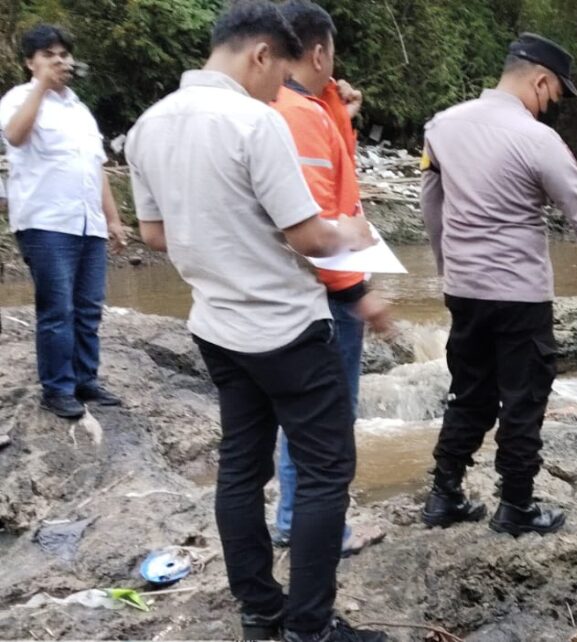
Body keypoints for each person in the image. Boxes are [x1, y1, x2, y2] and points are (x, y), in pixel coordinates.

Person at [125, 3, 386, 641]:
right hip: (286, 328)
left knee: (241, 468)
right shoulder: (254, 121)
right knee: (326, 473)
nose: (282, 90)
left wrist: (220, 235)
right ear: (261, 54)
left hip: (215, 326)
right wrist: (352, 229)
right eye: (279, 74)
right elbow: (310, 237)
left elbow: (154, 235)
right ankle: (310, 628)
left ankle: (260, 612)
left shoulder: (148, 125)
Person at [420, 33, 577, 537]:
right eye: (553, 96)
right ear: (539, 80)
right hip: (518, 295)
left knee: (469, 391)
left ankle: (444, 496)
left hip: (464, 289)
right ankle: (515, 507)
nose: (550, 107)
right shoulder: (537, 140)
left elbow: (431, 205)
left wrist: (449, 264)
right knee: (524, 397)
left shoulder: (442, 126)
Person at [269, 0, 392, 557]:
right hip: (324, 292)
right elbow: (317, 220)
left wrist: (339, 111)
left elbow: (335, 170)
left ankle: (294, 516)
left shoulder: (291, 105)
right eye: (333, 54)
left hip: (294, 291)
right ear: (319, 51)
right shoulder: (299, 115)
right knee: (326, 420)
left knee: (301, 417)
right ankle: (316, 527)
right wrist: (358, 294)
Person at [0, 24, 127, 419]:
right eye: (50, 54)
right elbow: (15, 137)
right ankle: (56, 388)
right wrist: (40, 86)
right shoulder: (17, 99)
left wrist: (114, 219)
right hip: (45, 222)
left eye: (65, 54)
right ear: (30, 62)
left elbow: (97, 167)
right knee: (58, 309)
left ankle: (85, 379)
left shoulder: (80, 110)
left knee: (89, 307)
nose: (61, 60)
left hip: (87, 223)